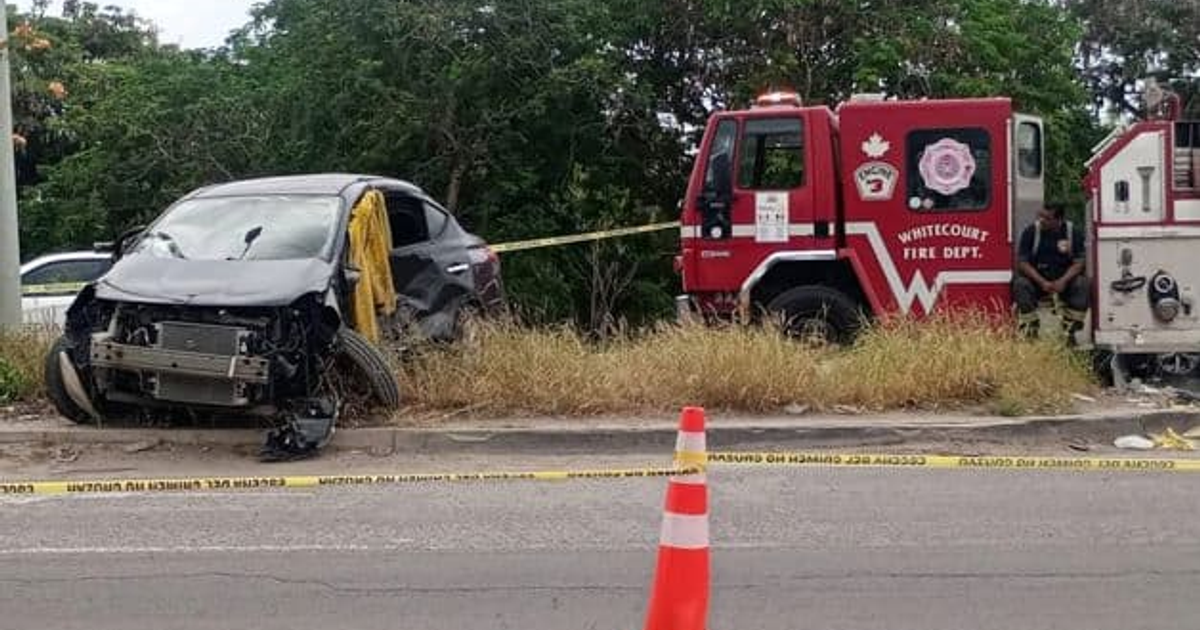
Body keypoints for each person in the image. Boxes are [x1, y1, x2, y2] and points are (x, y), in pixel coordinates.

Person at [1014, 202, 1089, 342]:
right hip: (1038, 282)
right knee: (1020, 284)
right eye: (1040, 216)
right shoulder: (1031, 232)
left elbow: (1079, 263)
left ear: (1059, 220)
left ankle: (1069, 332)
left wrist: (1063, 281)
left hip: (1064, 282)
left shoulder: (1073, 233)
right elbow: (1023, 263)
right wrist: (1042, 282)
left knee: (1082, 284)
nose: (1041, 220)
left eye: (1047, 218)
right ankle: (1031, 330)